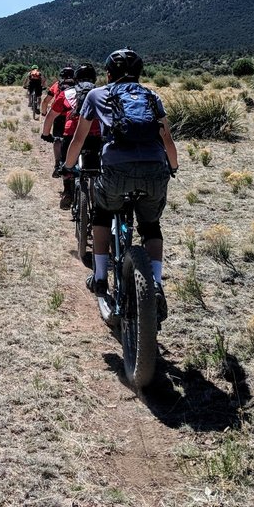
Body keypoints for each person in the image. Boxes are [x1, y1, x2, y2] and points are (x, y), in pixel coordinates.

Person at [62, 48, 178, 321]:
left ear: (109, 73)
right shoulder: (152, 96)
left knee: (102, 213)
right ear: (139, 73)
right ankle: (157, 284)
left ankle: (100, 276)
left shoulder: (96, 95)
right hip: (154, 169)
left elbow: (78, 140)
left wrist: (68, 167)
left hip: (115, 170)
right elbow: (168, 141)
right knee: (150, 226)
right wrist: (172, 167)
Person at [51, 63, 101, 209]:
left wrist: (45, 133)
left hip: (71, 134)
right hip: (95, 135)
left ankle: (67, 192)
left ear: (76, 78)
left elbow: (50, 116)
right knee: (98, 165)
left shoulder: (66, 92)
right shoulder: (102, 92)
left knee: (67, 165)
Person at [40, 66, 75, 174]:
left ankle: (57, 164)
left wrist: (44, 112)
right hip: (73, 116)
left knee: (57, 140)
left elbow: (46, 101)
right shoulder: (78, 86)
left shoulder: (57, 85)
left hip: (58, 116)